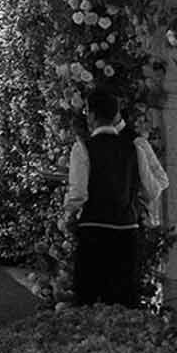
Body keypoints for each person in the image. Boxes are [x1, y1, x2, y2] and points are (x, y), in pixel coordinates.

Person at [63, 86, 168, 306]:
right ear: (115, 115)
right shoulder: (135, 148)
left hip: (93, 228)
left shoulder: (83, 148)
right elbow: (154, 189)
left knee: (88, 298)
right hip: (126, 230)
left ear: (91, 115)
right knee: (123, 299)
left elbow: (78, 194)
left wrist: (68, 215)